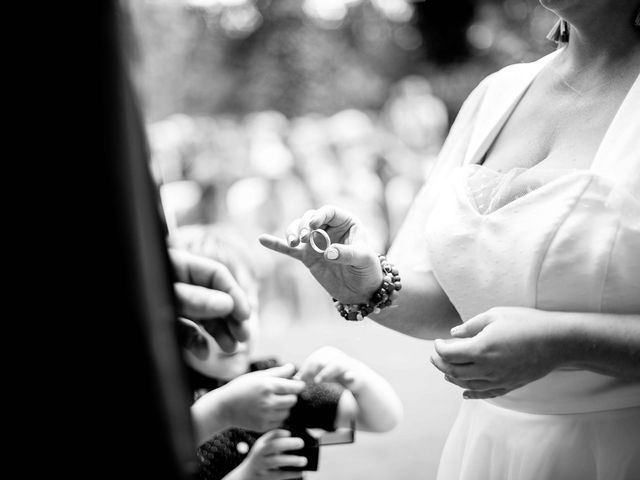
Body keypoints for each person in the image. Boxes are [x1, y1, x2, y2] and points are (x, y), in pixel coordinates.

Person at [258, 2, 640, 479]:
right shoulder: (498, 95)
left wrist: (566, 342)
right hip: (486, 451)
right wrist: (365, 283)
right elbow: (453, 305)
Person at [169, 224, 403, 480]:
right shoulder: (175, 409)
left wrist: (353, 374)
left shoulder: (274, 383)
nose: (233, 333)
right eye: (211, 318)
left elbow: (381, 420)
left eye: (243, 311)